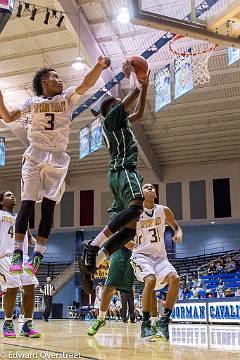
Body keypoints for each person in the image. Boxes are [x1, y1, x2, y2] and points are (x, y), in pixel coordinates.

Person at [0, 56, 110, 276]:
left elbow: (86, 84)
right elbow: (9, 117)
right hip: (34, 154)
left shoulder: (67, 97)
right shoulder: (32, 103)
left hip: (58, 157)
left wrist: (98, 66)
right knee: (27, 204)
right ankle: (18, 253)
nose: (59, 80)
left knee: (49, 207)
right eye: (55, 77)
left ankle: (38, 255)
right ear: (44, 82)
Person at [79, 68, 150, 294]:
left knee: (130, 231)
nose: (122, 104)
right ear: (111, 108)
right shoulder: (110, 118)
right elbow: (133, 96)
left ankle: (93, 262)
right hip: (123, 170)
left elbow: (137, 113)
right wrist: (135, 77)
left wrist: (145, 87)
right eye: (118, 103)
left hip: (120, 173)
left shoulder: (120, 123)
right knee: (137, 207)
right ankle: (93, 245)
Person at [131, 183, 182, 340]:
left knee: (175, 278)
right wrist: (126, 242)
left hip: (160, 257)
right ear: (141, 193)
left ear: (155, 193)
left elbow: (177, 227)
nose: (150, 188)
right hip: (141, 255)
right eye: (146, 187)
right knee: (150, 280)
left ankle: (164, 321)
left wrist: (179, 234)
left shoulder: (163, 210)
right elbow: (122, 233)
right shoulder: (135, 213)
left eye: (152, 187)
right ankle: (145, 324)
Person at [0, 191, 40, 338]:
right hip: (6, 256)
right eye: (8, 195)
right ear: (1, 201)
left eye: (13, 195)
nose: (13, 196)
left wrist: (39, 247)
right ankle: (8, 323)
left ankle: (27, 325)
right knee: (12, 288)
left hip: (23, 257)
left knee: (30, 289)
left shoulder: (21, 218)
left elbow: (29, 238)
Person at [87, 240, 135, 335]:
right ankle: (100, 319)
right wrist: (123, 240)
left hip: (142, 251)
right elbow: (114, 231)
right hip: (121, 251)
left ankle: (151, 322)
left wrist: (174, 229)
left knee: (150, 281)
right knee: (110, 286)